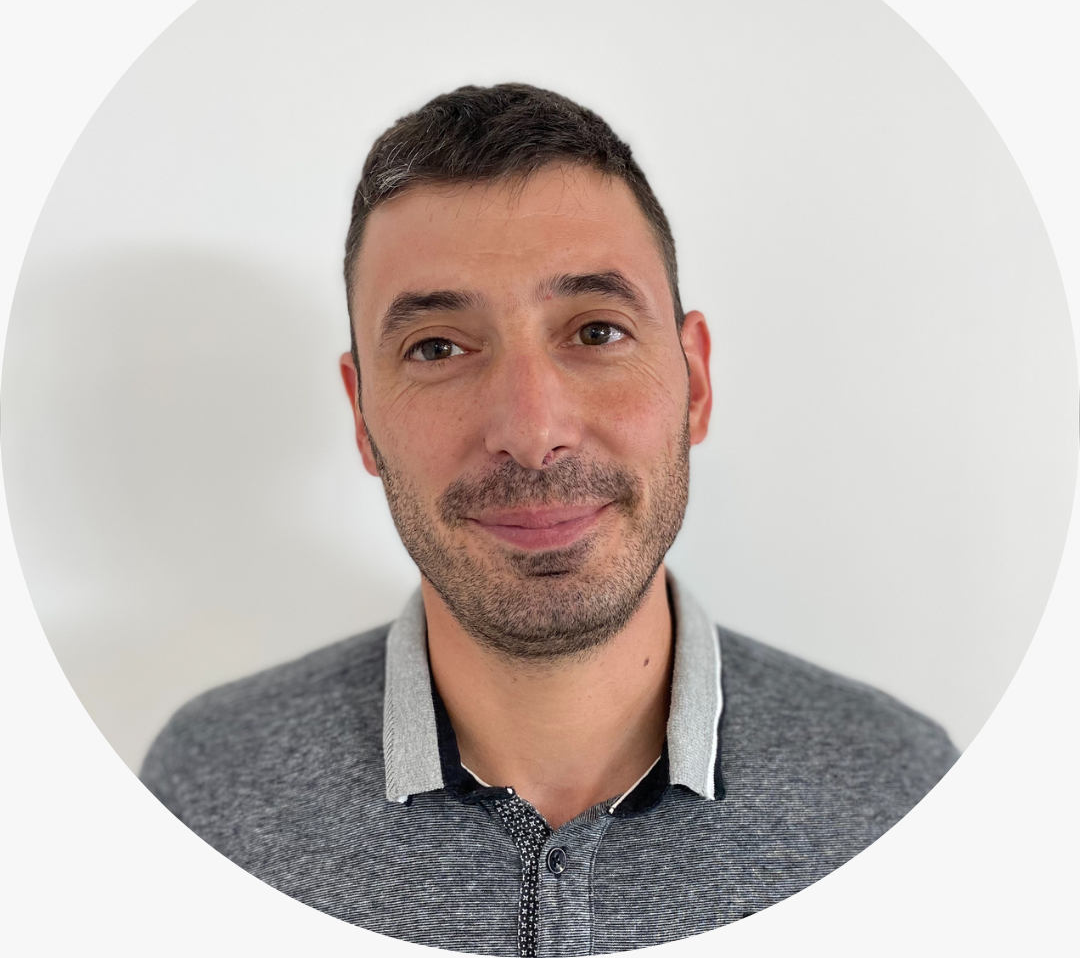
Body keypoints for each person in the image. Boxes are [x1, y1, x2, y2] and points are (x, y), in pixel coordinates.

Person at [141, 83, 958, 956]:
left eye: (596, 332)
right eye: (438, 348)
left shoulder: (904, 799)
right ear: (362, 416)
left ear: (695, 383)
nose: (533, 435)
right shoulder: (205, 797)